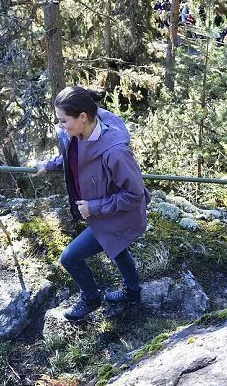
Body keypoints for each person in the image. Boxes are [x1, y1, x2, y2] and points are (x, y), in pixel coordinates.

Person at [35, 86, 151, 321]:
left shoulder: (116, 152)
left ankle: (90, 298)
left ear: (83, 117)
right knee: (117, 249)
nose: (60, 126)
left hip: (118, 214)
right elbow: (74, 158)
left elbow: (135, 194)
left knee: (70, 257)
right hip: (101, 211)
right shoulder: (77, 133)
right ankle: (132, 292)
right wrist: (48, 165)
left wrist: (94, 207)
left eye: (63, 120)